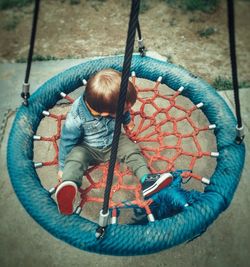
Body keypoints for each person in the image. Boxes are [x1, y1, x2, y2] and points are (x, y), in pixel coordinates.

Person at [55, 68, 173, 215]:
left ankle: (147, 179)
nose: (127, 110)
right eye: (124, 110)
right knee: (76, 157)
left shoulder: (114, 105)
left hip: (114, 140)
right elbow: (67, 140)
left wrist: (127, 121)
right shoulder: (77, 115)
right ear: (106, 114)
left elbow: (124, 112)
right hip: (88, 147)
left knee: (132, 150)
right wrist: (61, 166)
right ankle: (69, 184)